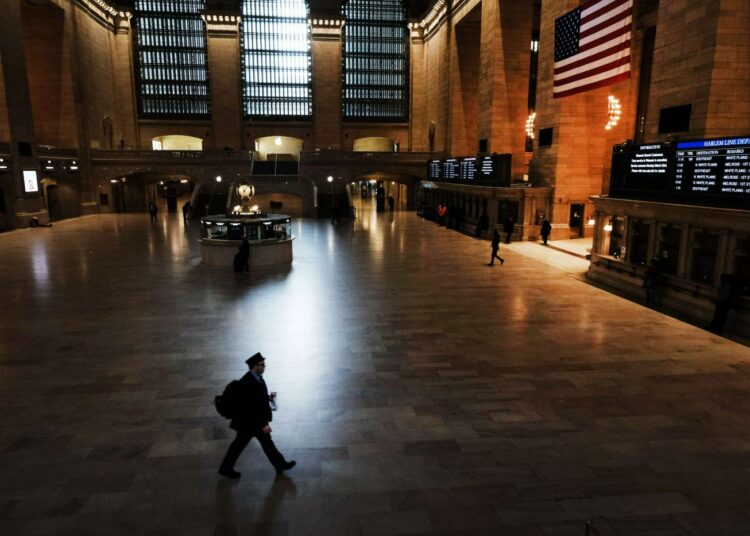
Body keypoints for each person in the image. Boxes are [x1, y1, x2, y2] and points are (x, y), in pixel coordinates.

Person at [219, 352, 296, 479]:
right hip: (250, 423)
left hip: (252, 422)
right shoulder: (247, 382)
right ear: (254, 366)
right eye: (262, 365)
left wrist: (268, 398)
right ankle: (280, 464)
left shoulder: (258, 378)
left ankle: (280, 464)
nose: (264, 367)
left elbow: (257, 399)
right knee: (244, 445)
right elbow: (250, 407)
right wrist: (264, 424)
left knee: (255, 444)